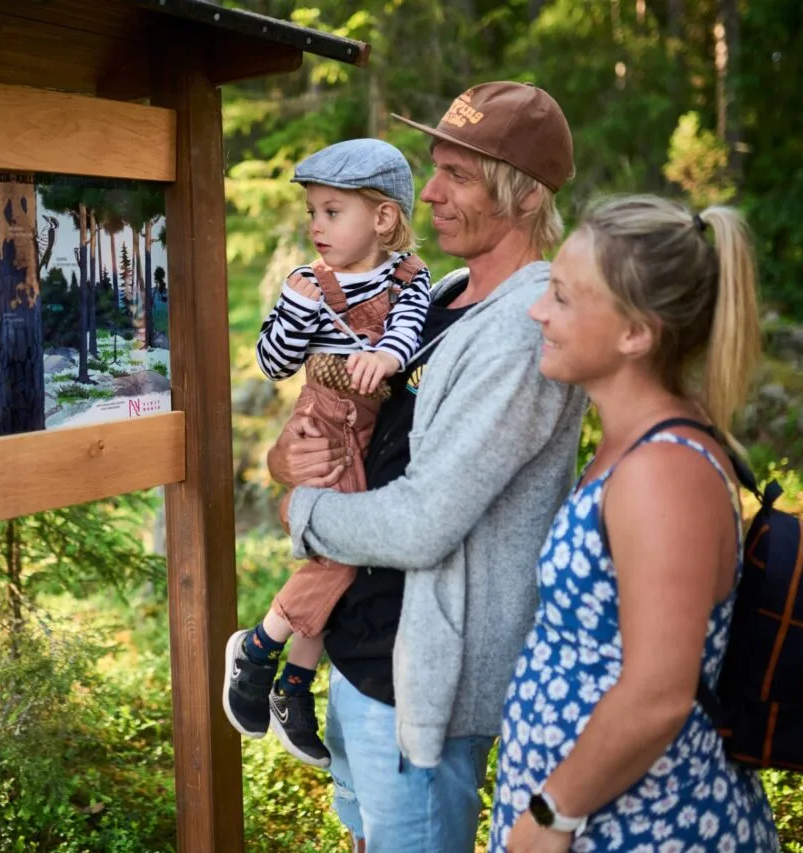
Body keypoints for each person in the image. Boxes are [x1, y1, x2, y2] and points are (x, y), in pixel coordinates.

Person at [266, 82, 588, 852]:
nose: (429, 192)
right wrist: (288, 457)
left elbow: (424, 521)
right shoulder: (441, 294)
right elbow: (349, 416)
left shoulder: (523, 327)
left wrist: (301, 512)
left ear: (517, 193)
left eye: (457, 176)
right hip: (359, 654)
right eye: (433, 168)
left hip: (422, 687)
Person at [489, 196, 780, 852]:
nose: (539, 311)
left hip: (643, 827)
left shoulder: (661, 473)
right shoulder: (632, 446)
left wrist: (550, 815)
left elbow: (657, 692)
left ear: (635, 333)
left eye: (562, 297)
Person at [222, 138, 433, 768]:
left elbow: (406, 331)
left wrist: (387, 357)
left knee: (341, 562)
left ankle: (289, 683)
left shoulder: (409, 278)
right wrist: (296, 310)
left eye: (332, 211)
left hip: (375, 432)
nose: (315, 225)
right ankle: (261, 650)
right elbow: (273, 362)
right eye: (312, 211)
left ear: (384, 217)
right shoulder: (308, 283)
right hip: (325, 426)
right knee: (342, 555)